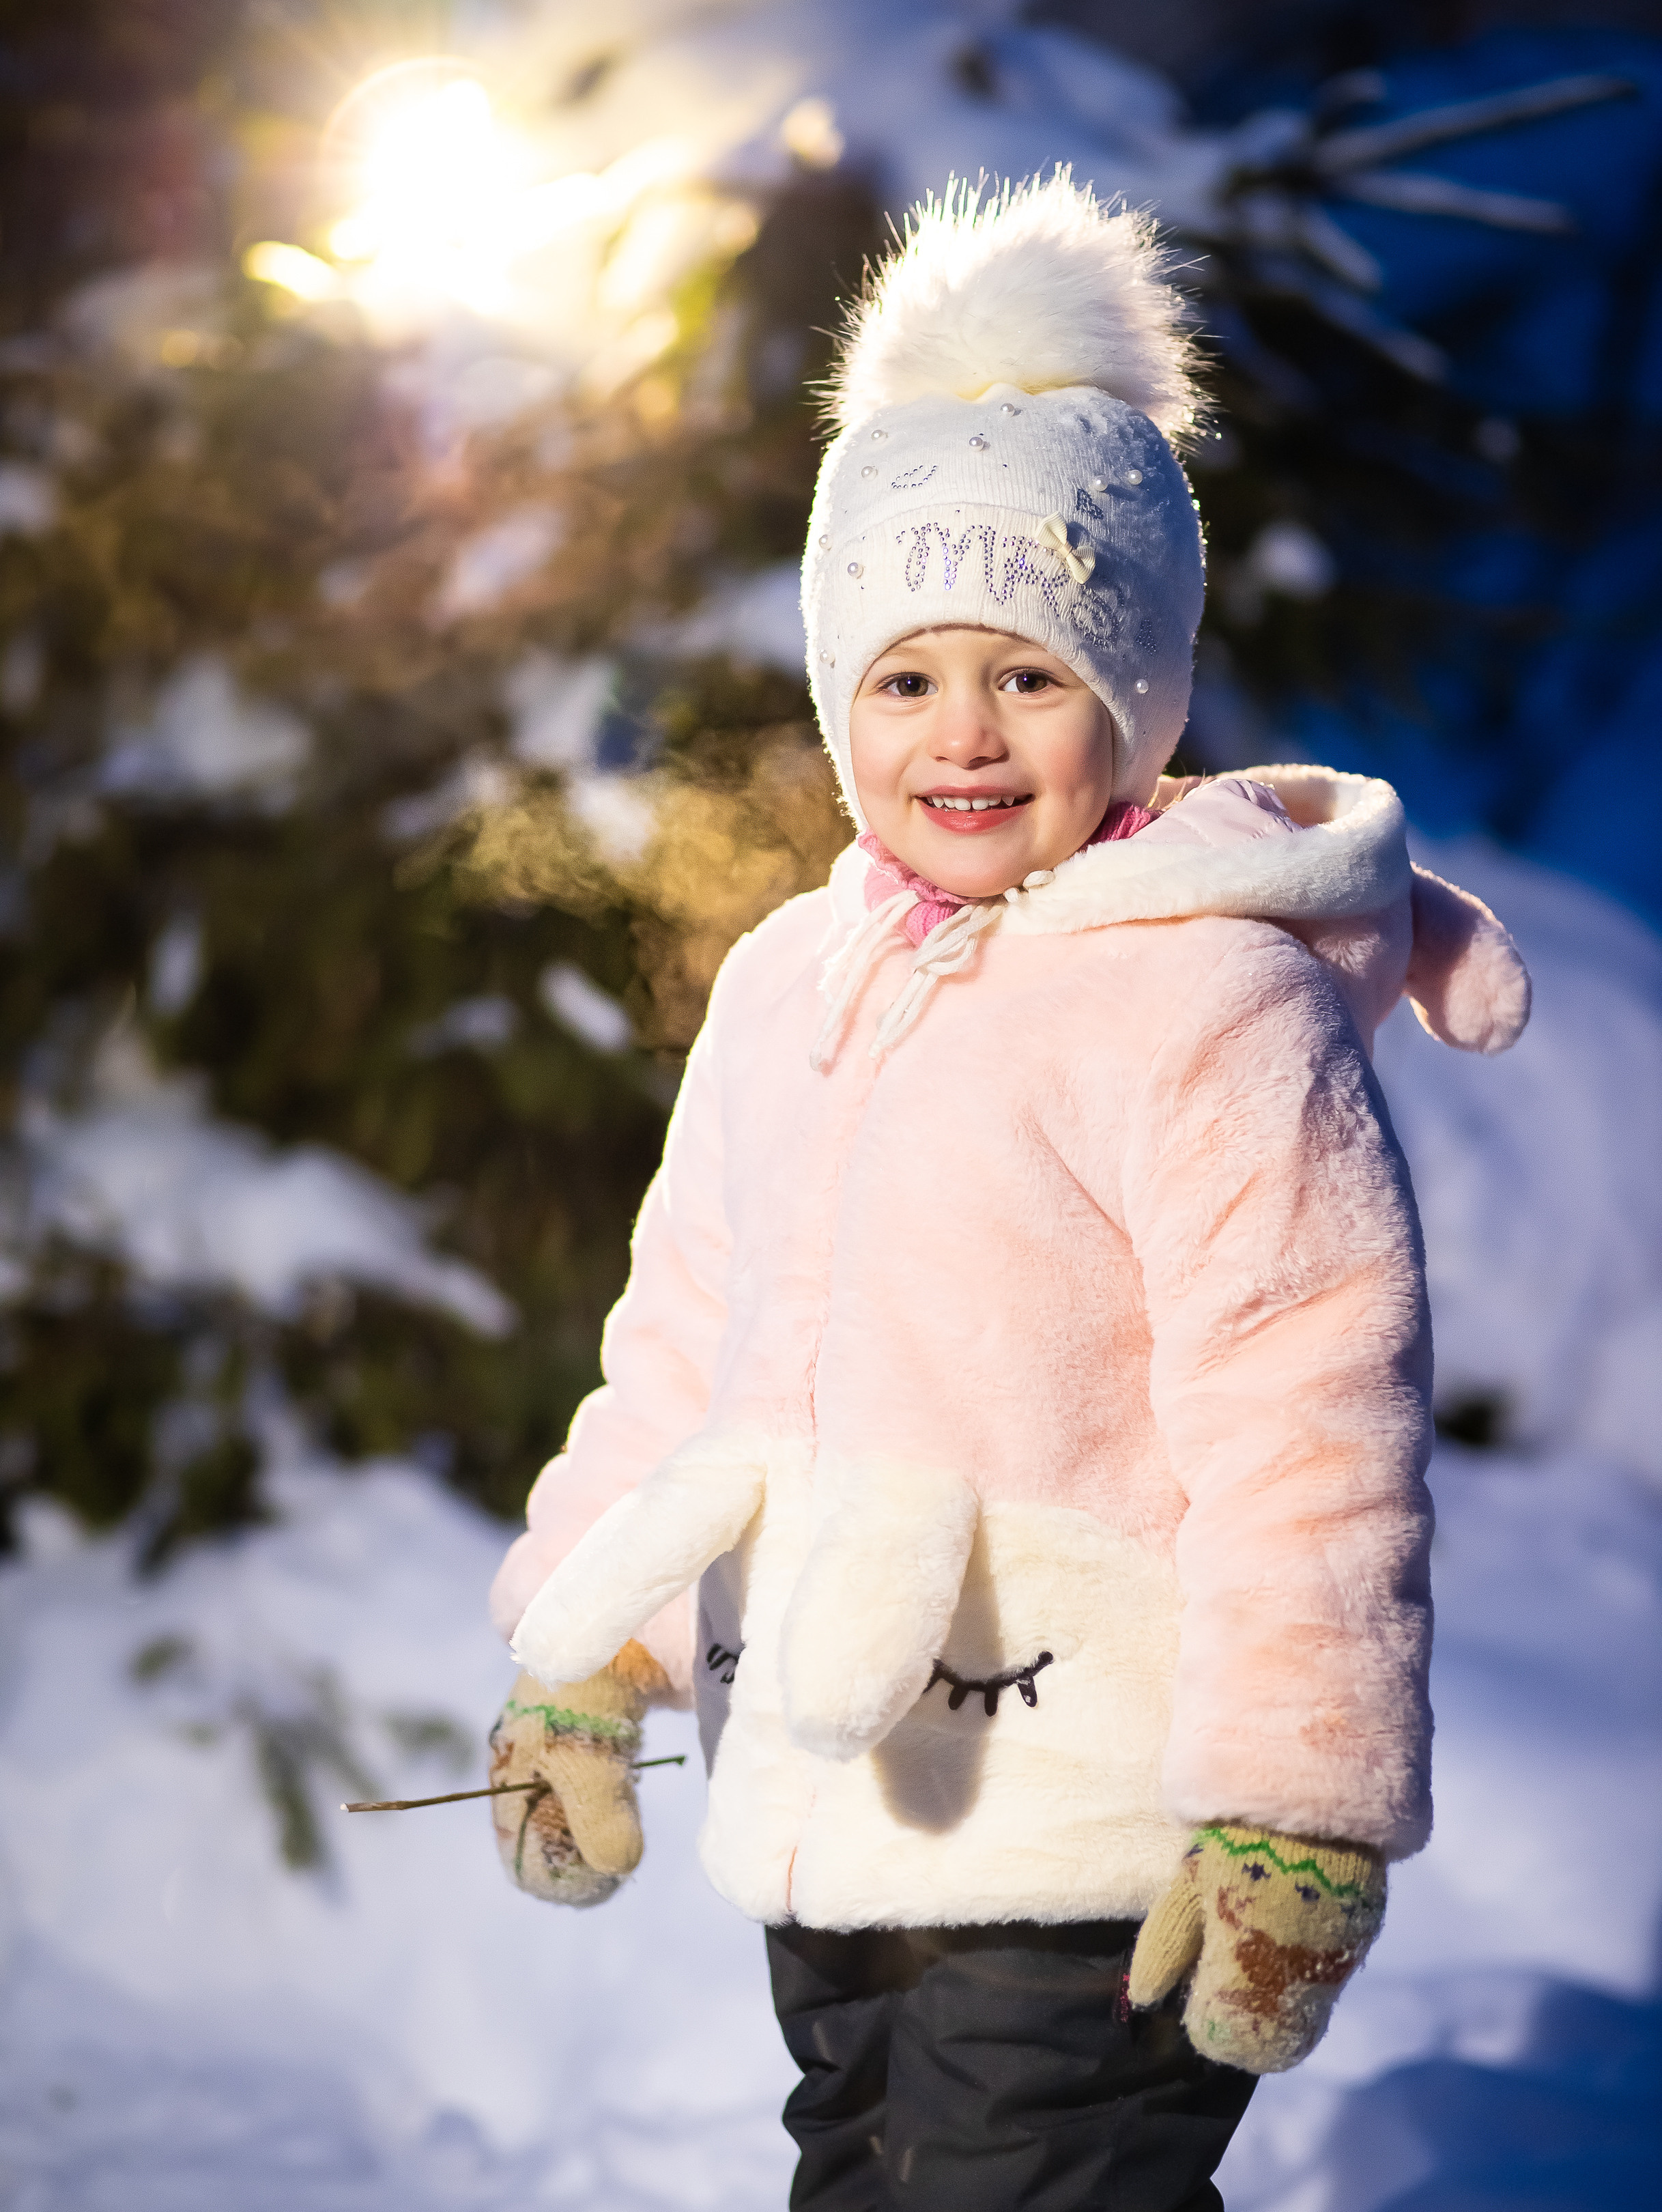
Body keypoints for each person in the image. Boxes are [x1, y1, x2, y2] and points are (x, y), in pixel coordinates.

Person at [483, 173, 1532, 2211]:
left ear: (1131, 691)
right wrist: (580, 1655)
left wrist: (1292, 1805)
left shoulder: (1204, 999)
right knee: (865, 2170)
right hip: (828, 1769)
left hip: (1087, 1799)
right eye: (902, 677)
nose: (961, 733)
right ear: (832, 698)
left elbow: (1309, 1415)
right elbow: (679, 1342)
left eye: (1029, 676)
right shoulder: (794, 976)